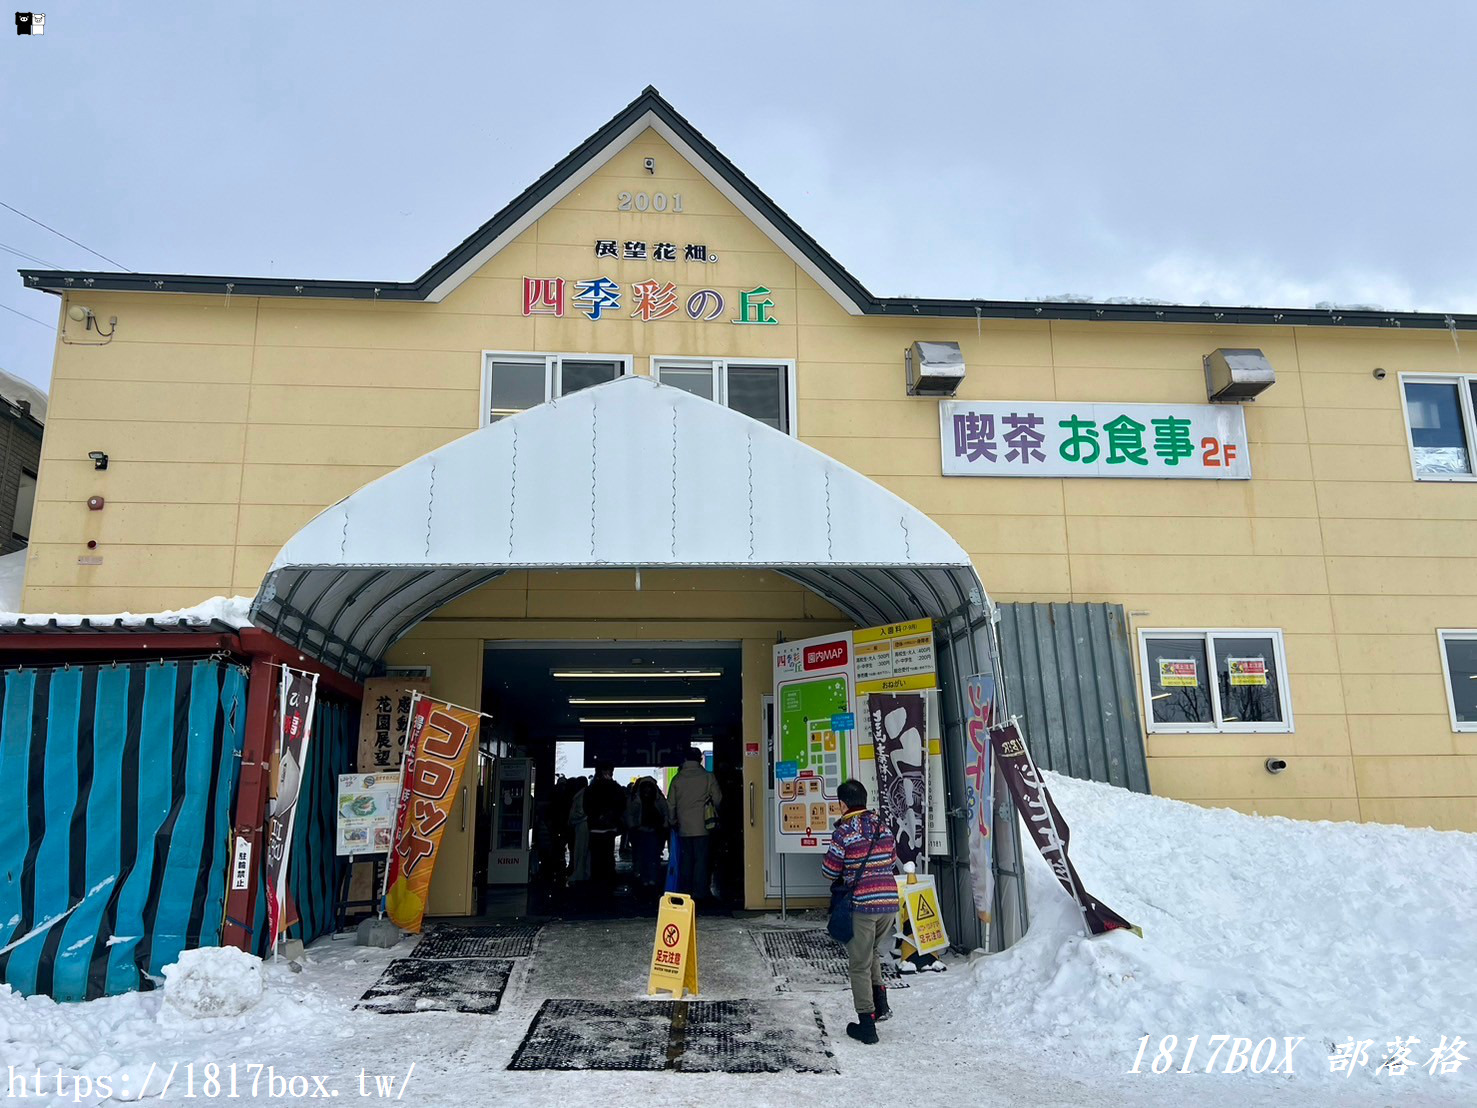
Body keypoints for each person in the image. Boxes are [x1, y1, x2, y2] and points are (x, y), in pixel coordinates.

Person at [821, 779, 899, 1045]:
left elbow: (829, 871)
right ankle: (881, 1004)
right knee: (871, 952)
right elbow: (890, 859)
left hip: (863, 904)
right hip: (888, 902)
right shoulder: (883, 827)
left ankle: (866, 1024)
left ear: (842, 804)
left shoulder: (844, 832)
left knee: (858, 965)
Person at [666, 747, 721, 904]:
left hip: (684, 827)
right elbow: (718, 799)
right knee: (702, 860)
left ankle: (686, 891)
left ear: (685, 759)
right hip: (704, 826)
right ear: (700, 759)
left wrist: (672, 821)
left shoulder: (677, 779)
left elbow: (671, 804)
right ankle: (700, 892)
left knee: (686, 860)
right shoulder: (708, 777)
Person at [583, 763, 628, 895]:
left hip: (595, 828)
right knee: (608, 856)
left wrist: (596, 816)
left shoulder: (591, 789)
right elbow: (621, 805)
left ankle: (597, 883)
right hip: (609, 828)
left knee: (596, 857)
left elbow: (587, 807)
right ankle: (608, 882)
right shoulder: (615, 788)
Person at [626, 776, 670, 899]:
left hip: (643, 831)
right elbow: (665, 812)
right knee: (653, 857)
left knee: (643, 856)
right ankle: (651, 879)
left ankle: (645, 879)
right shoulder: (658, 799)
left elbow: (629, 814)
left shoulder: (635, 799)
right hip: (653, 831)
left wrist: (633, 827)